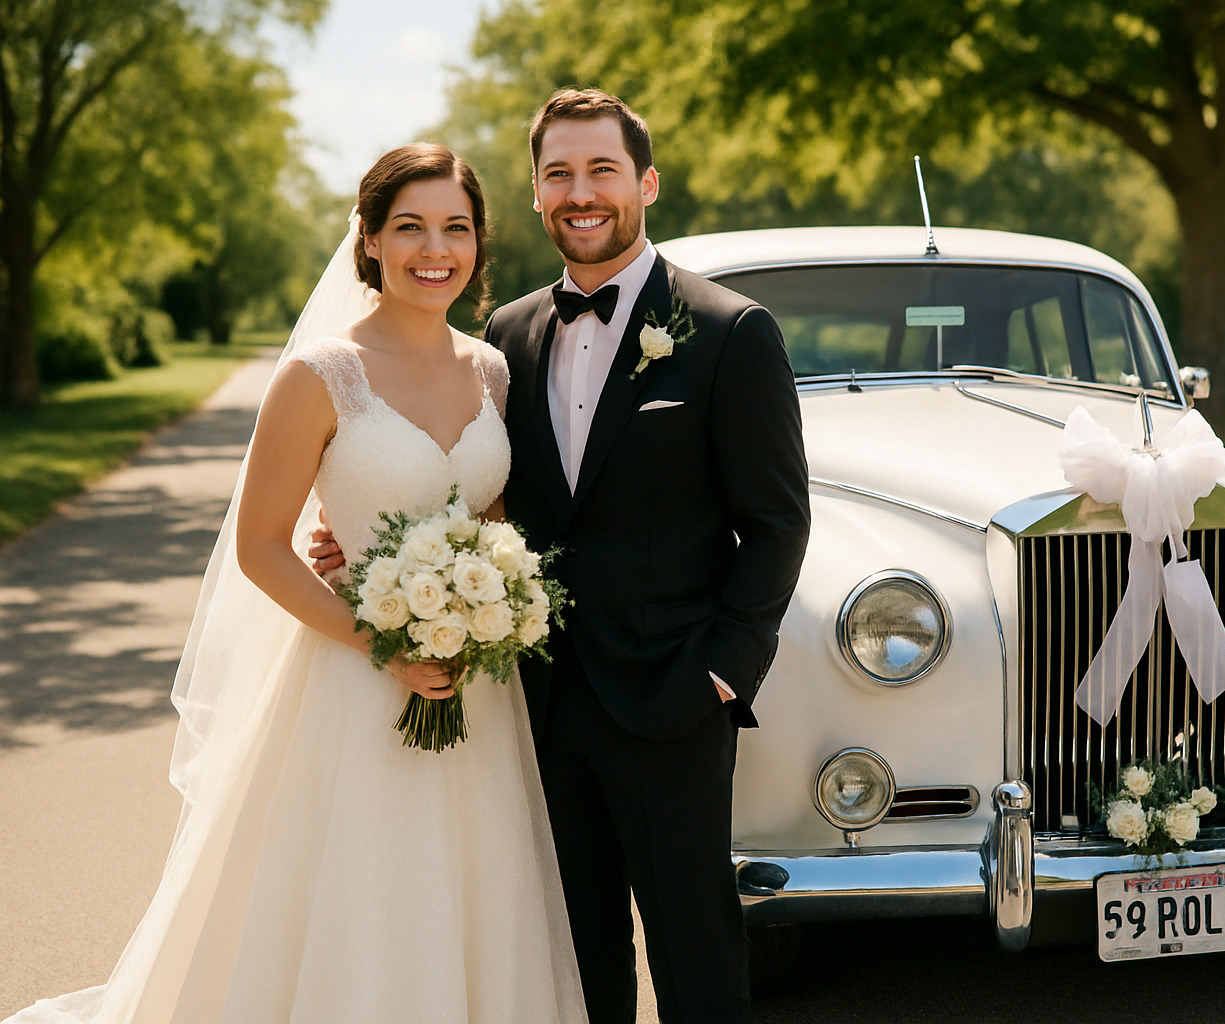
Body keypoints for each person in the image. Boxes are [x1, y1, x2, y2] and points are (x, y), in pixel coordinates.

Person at [4, 144, 587, 1023]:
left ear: (479, 243)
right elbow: (263, 547)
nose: (437, 249)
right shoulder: (322, 373)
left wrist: (486, 605)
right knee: (354, 894)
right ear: (372, 240)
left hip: (475, 689)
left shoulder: (492, 369)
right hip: (349, 684)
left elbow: (492, 518)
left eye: (457, 228)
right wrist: (383, 641)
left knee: (468, 888)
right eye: (411, 227)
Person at [315, 89, 812, 1023]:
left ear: (646, 183)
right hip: (531, 698)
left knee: (696, 954)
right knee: (564, 959)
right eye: (558, 174)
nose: (580, 193)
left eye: (602, 171)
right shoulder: (505, 337)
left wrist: (721, 673)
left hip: (672, 695)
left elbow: (779, 523)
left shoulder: (731, 331)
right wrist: (381, 527)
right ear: (538, 195)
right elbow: (487, 495)